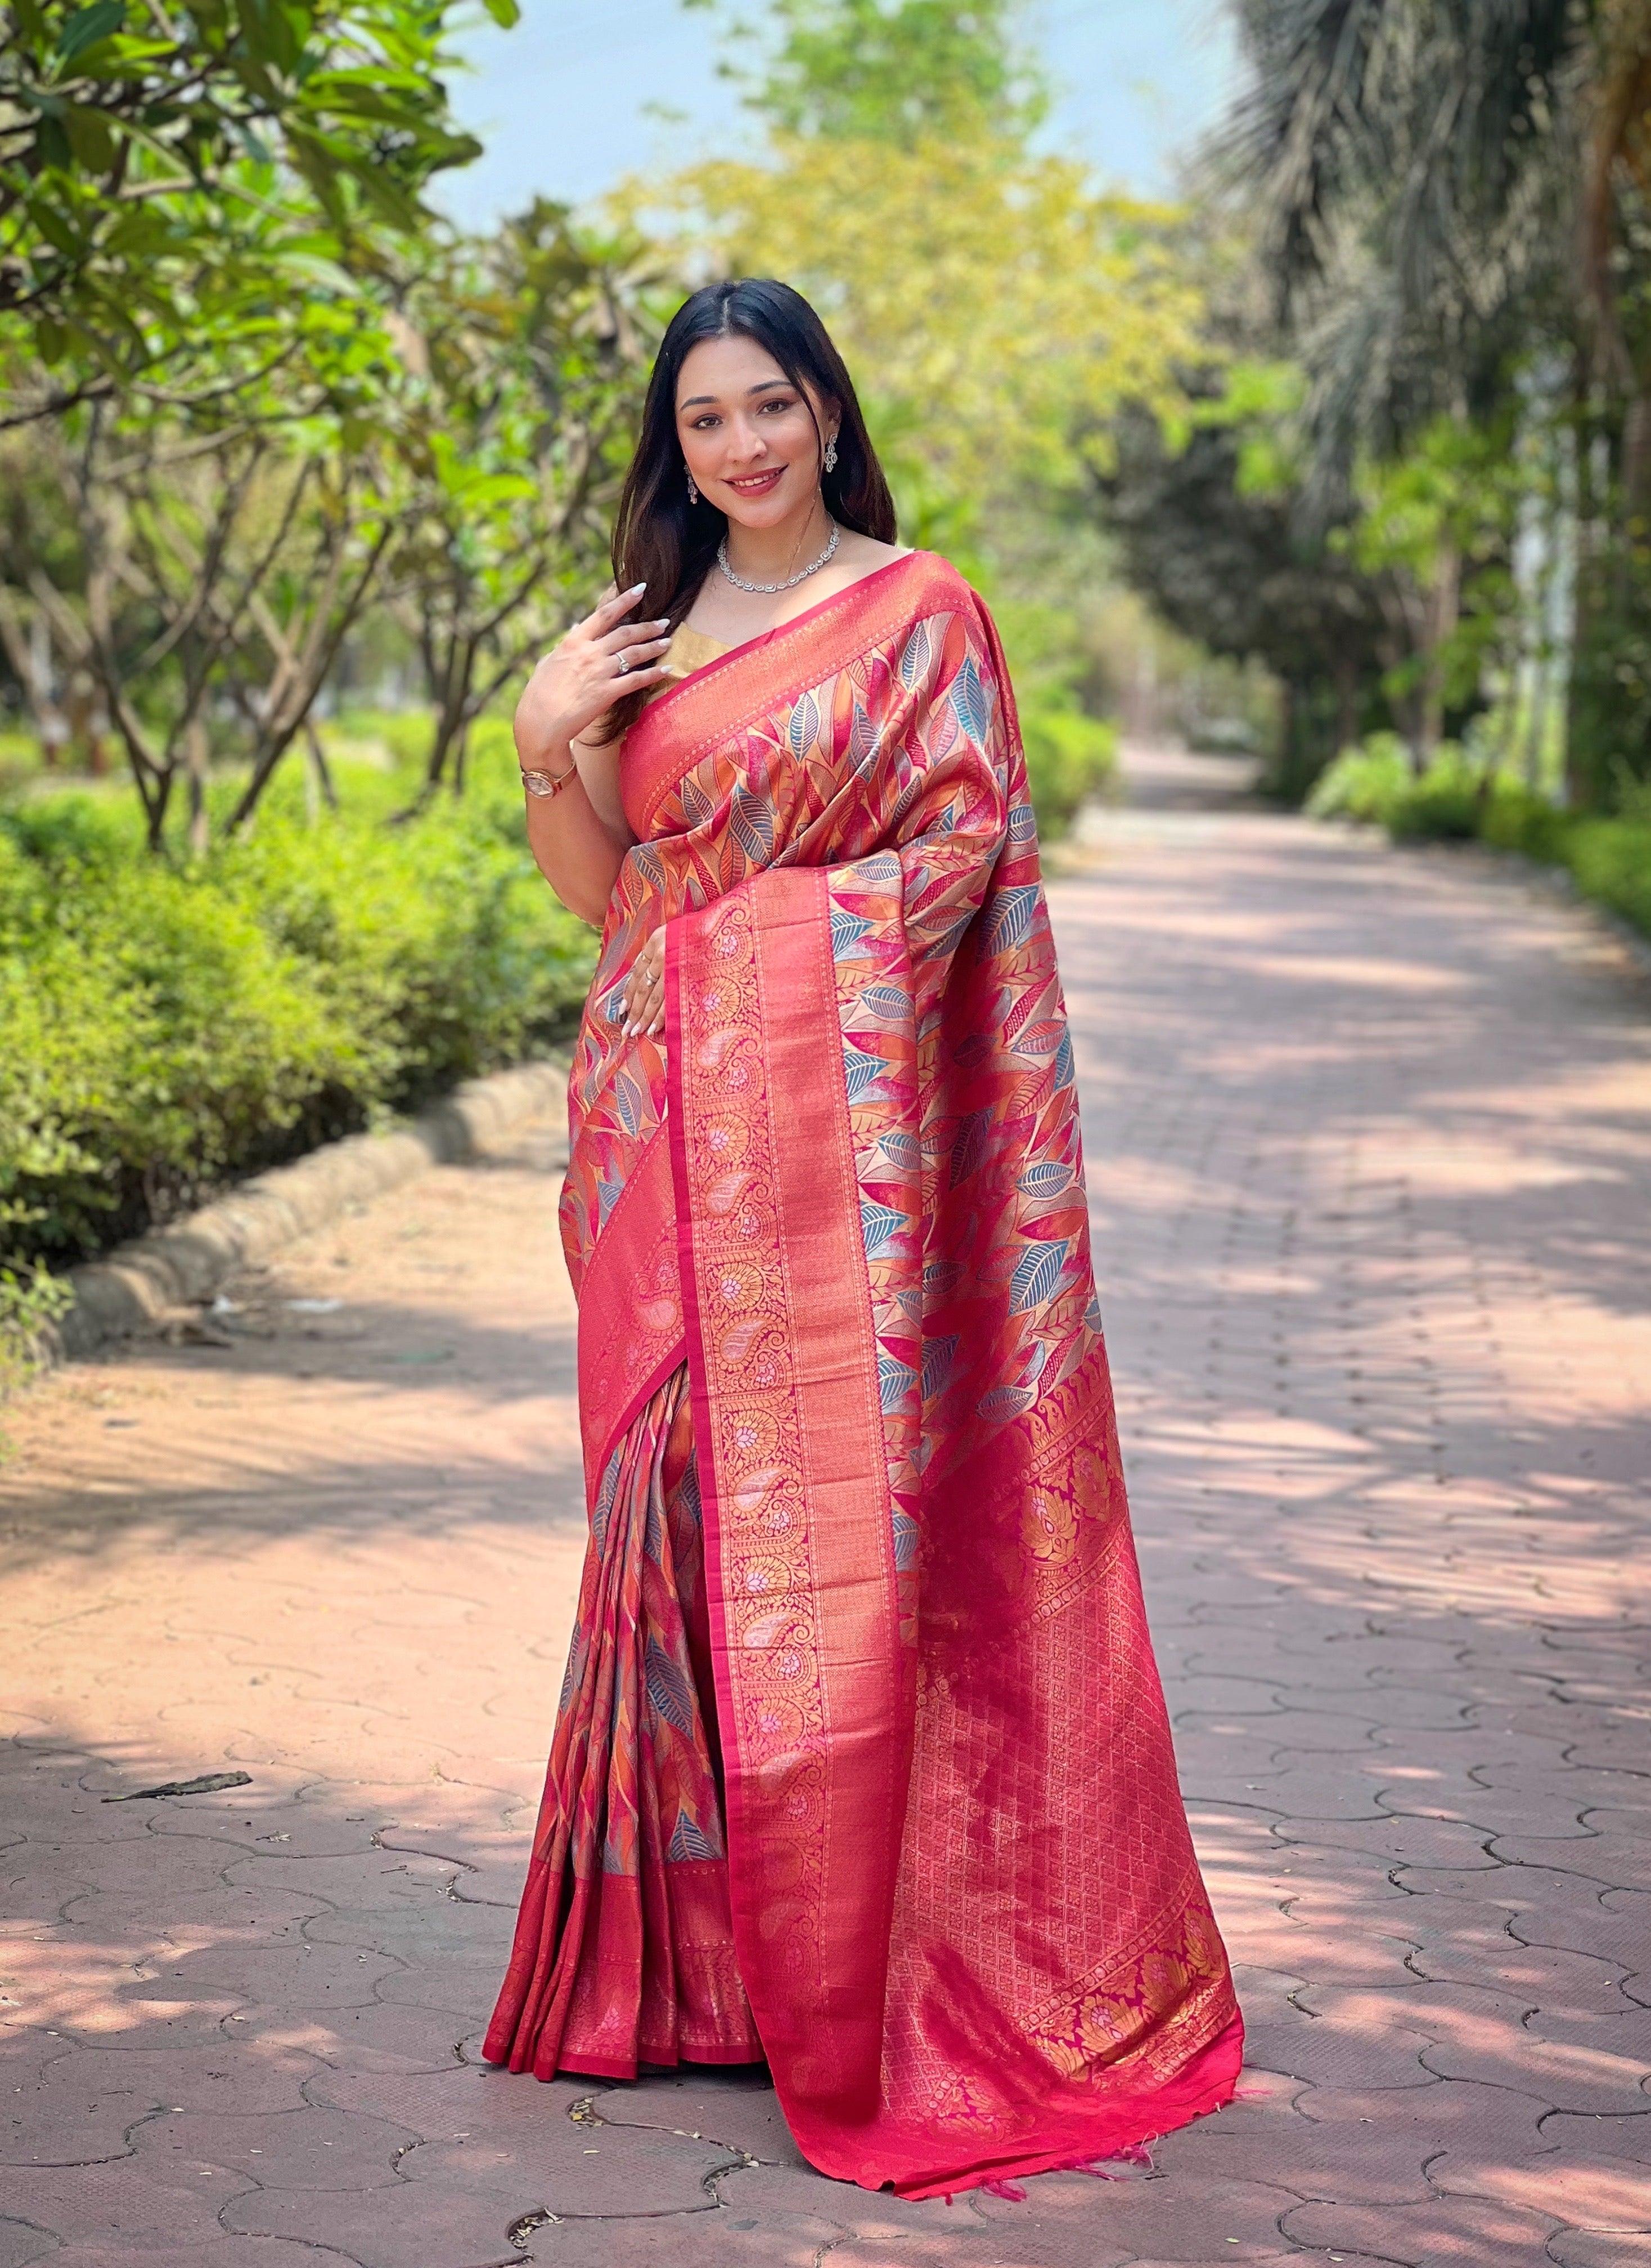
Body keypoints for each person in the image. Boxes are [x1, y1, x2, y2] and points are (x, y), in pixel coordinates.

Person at [483, 277, 1242, 2199]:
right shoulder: (639, 639)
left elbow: (963, 864)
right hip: (658, 1141)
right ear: (676, 443)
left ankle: (841, 1972)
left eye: (769, 404)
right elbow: (615, 907)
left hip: (832, 1157)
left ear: (827, 409)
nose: (737, 445)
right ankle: (681, 1980)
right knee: (669, 1516)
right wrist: (542, 740)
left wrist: (773, 951)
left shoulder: (921, 615)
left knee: (819, 1535)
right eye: (703, 418)